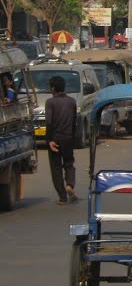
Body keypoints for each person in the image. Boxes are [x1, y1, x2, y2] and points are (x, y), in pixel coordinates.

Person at [45, 75, 78, 205]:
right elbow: (74, 121)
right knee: (69, 164)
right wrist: (73, 137)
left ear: (53, 88)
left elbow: (49, 123)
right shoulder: (71, 101)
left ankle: (62, 197)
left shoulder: (50, 102)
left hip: (55, 139)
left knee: (56, 168)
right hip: (68, 138)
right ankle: (70, 184)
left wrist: (50, 140)